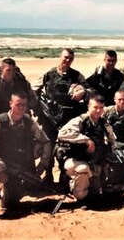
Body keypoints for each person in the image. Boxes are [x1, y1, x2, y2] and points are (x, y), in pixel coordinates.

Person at [0, 92, 51, 223]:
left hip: (17, 166)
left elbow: (46, 142)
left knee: (10, 203)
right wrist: (0, 169)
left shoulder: (29, 122)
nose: (21, 108)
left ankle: (1, 189)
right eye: (18, 105)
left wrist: (43, 163)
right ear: (10, 104)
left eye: (24, 105)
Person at [33, 48, 90, 182]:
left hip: (69, 118)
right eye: (65, 57)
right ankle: (48, 173)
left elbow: (90, 90)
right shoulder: (48, 74)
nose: (67, 60)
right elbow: (33, 90)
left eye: (70, 58)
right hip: (50, 118)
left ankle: (65, 174)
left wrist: (83, 92)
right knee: (49, 146)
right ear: (60, 57)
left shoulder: (77, 76)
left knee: (66, 147)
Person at [56, 95, 116, 201]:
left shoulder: (103, 123)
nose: (98, 110)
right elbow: (62, 134)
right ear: (89, 107)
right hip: (76, 160)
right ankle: (71, 184)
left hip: (94, 162)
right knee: (81, 194)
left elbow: (112, 140)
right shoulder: (80, 121)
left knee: (95, 194)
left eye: (101, 108)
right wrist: (85, 139)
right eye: (95, 107)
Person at [0, 58, 36, 134]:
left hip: (19, 119)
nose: (11, 73)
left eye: (13, 70)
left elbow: (33, 100)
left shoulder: (22, 84)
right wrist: (1, 121)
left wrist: (23, 109)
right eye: (8, 70)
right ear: (1, 70)